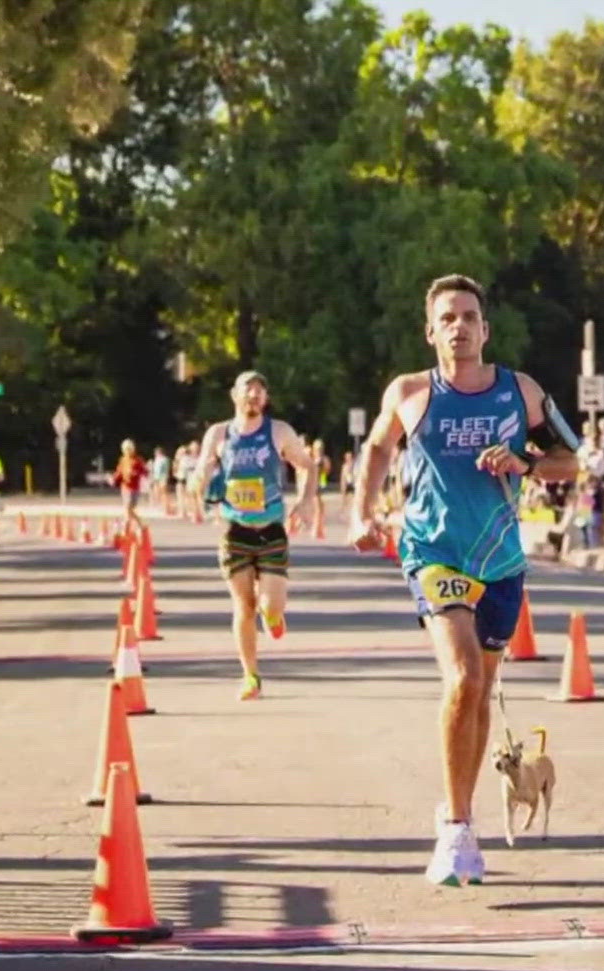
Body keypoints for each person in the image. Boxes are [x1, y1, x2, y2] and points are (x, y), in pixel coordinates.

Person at [349, 274, 580, 887]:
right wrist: (361, 511)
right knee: (463, 678)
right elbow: (376, 450)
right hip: (435, 553)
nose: (459, 326)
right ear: (431, 332)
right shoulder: (410, 393)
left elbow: (571, 461)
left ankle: (462, 814)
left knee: (479, 694)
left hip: (501, 561)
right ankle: (455, 830)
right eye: (447, 317)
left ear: (485, 329)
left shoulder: (520, 394)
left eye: (469, 316)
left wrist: (524, 461)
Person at [193, 371, 320, 701]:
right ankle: (250, 676)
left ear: (266, 399)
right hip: (233, 529)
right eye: (247, 391)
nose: (254, 396)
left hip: (270, 529)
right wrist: (200, 479)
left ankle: (274, 616)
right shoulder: (219, 434)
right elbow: (205, 465)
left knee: (269, 606)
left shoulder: (278, 432)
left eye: (259, 392)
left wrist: (306, 501)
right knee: (243, 605)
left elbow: (307, 465)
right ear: (234, 395)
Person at [112, 440, 147, 528]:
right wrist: (114, 479)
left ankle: (139, 524)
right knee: (128, 508)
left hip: (135, 487)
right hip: (126, 487)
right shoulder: (123, 460)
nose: (127, 451)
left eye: (129, 449)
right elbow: (119, 471)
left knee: (131, 509)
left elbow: (144, 471)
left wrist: (136, 473)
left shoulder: (138, 460)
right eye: (125, 449)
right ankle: (127, 527)